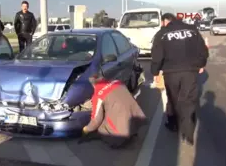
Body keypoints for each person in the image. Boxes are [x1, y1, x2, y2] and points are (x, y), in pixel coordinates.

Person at [151, 13, 209, 145]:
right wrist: (201, 63)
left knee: (172, 99)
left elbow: (157, 55)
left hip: (171, 73)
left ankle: (173, 124)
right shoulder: (192, 30)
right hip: (190, 71)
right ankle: (188, 132)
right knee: (188, 100)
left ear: (165, 21)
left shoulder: (162, 33)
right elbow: (203, 49)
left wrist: (155, 72)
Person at [81, 73, 147, 148]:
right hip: (135, 118)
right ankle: (131, 131)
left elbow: (96, 120)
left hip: (121, 132)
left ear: (93, 85)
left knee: (101, 127)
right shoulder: (117, 82)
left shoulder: (98, 95)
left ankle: (117, 139)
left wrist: (86, 129)